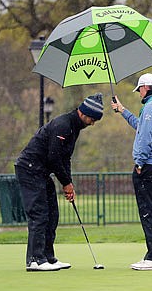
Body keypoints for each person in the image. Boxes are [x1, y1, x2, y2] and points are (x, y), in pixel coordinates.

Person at [15, 93, 103, 272]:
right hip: (30, 168)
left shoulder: (74, 128)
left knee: (52, 214)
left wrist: (68, 183)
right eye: (92, 119)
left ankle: (48, 257)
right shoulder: (63, 125)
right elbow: (54, 158)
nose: (92, 123)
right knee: (39, 214)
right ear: (83, 113)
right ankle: (35, 260)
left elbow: (65, 159)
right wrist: (66, 183)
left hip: (41, 172)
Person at [111, 73, 152, 271]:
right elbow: (141, 127)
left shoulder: (151, 108)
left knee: (148, 212)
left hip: (147, 166)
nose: (139, 94)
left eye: (139, 90)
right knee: (151, 210)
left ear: (145, 88)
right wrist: (123, 111)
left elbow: (145, 137)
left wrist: (139, 162)